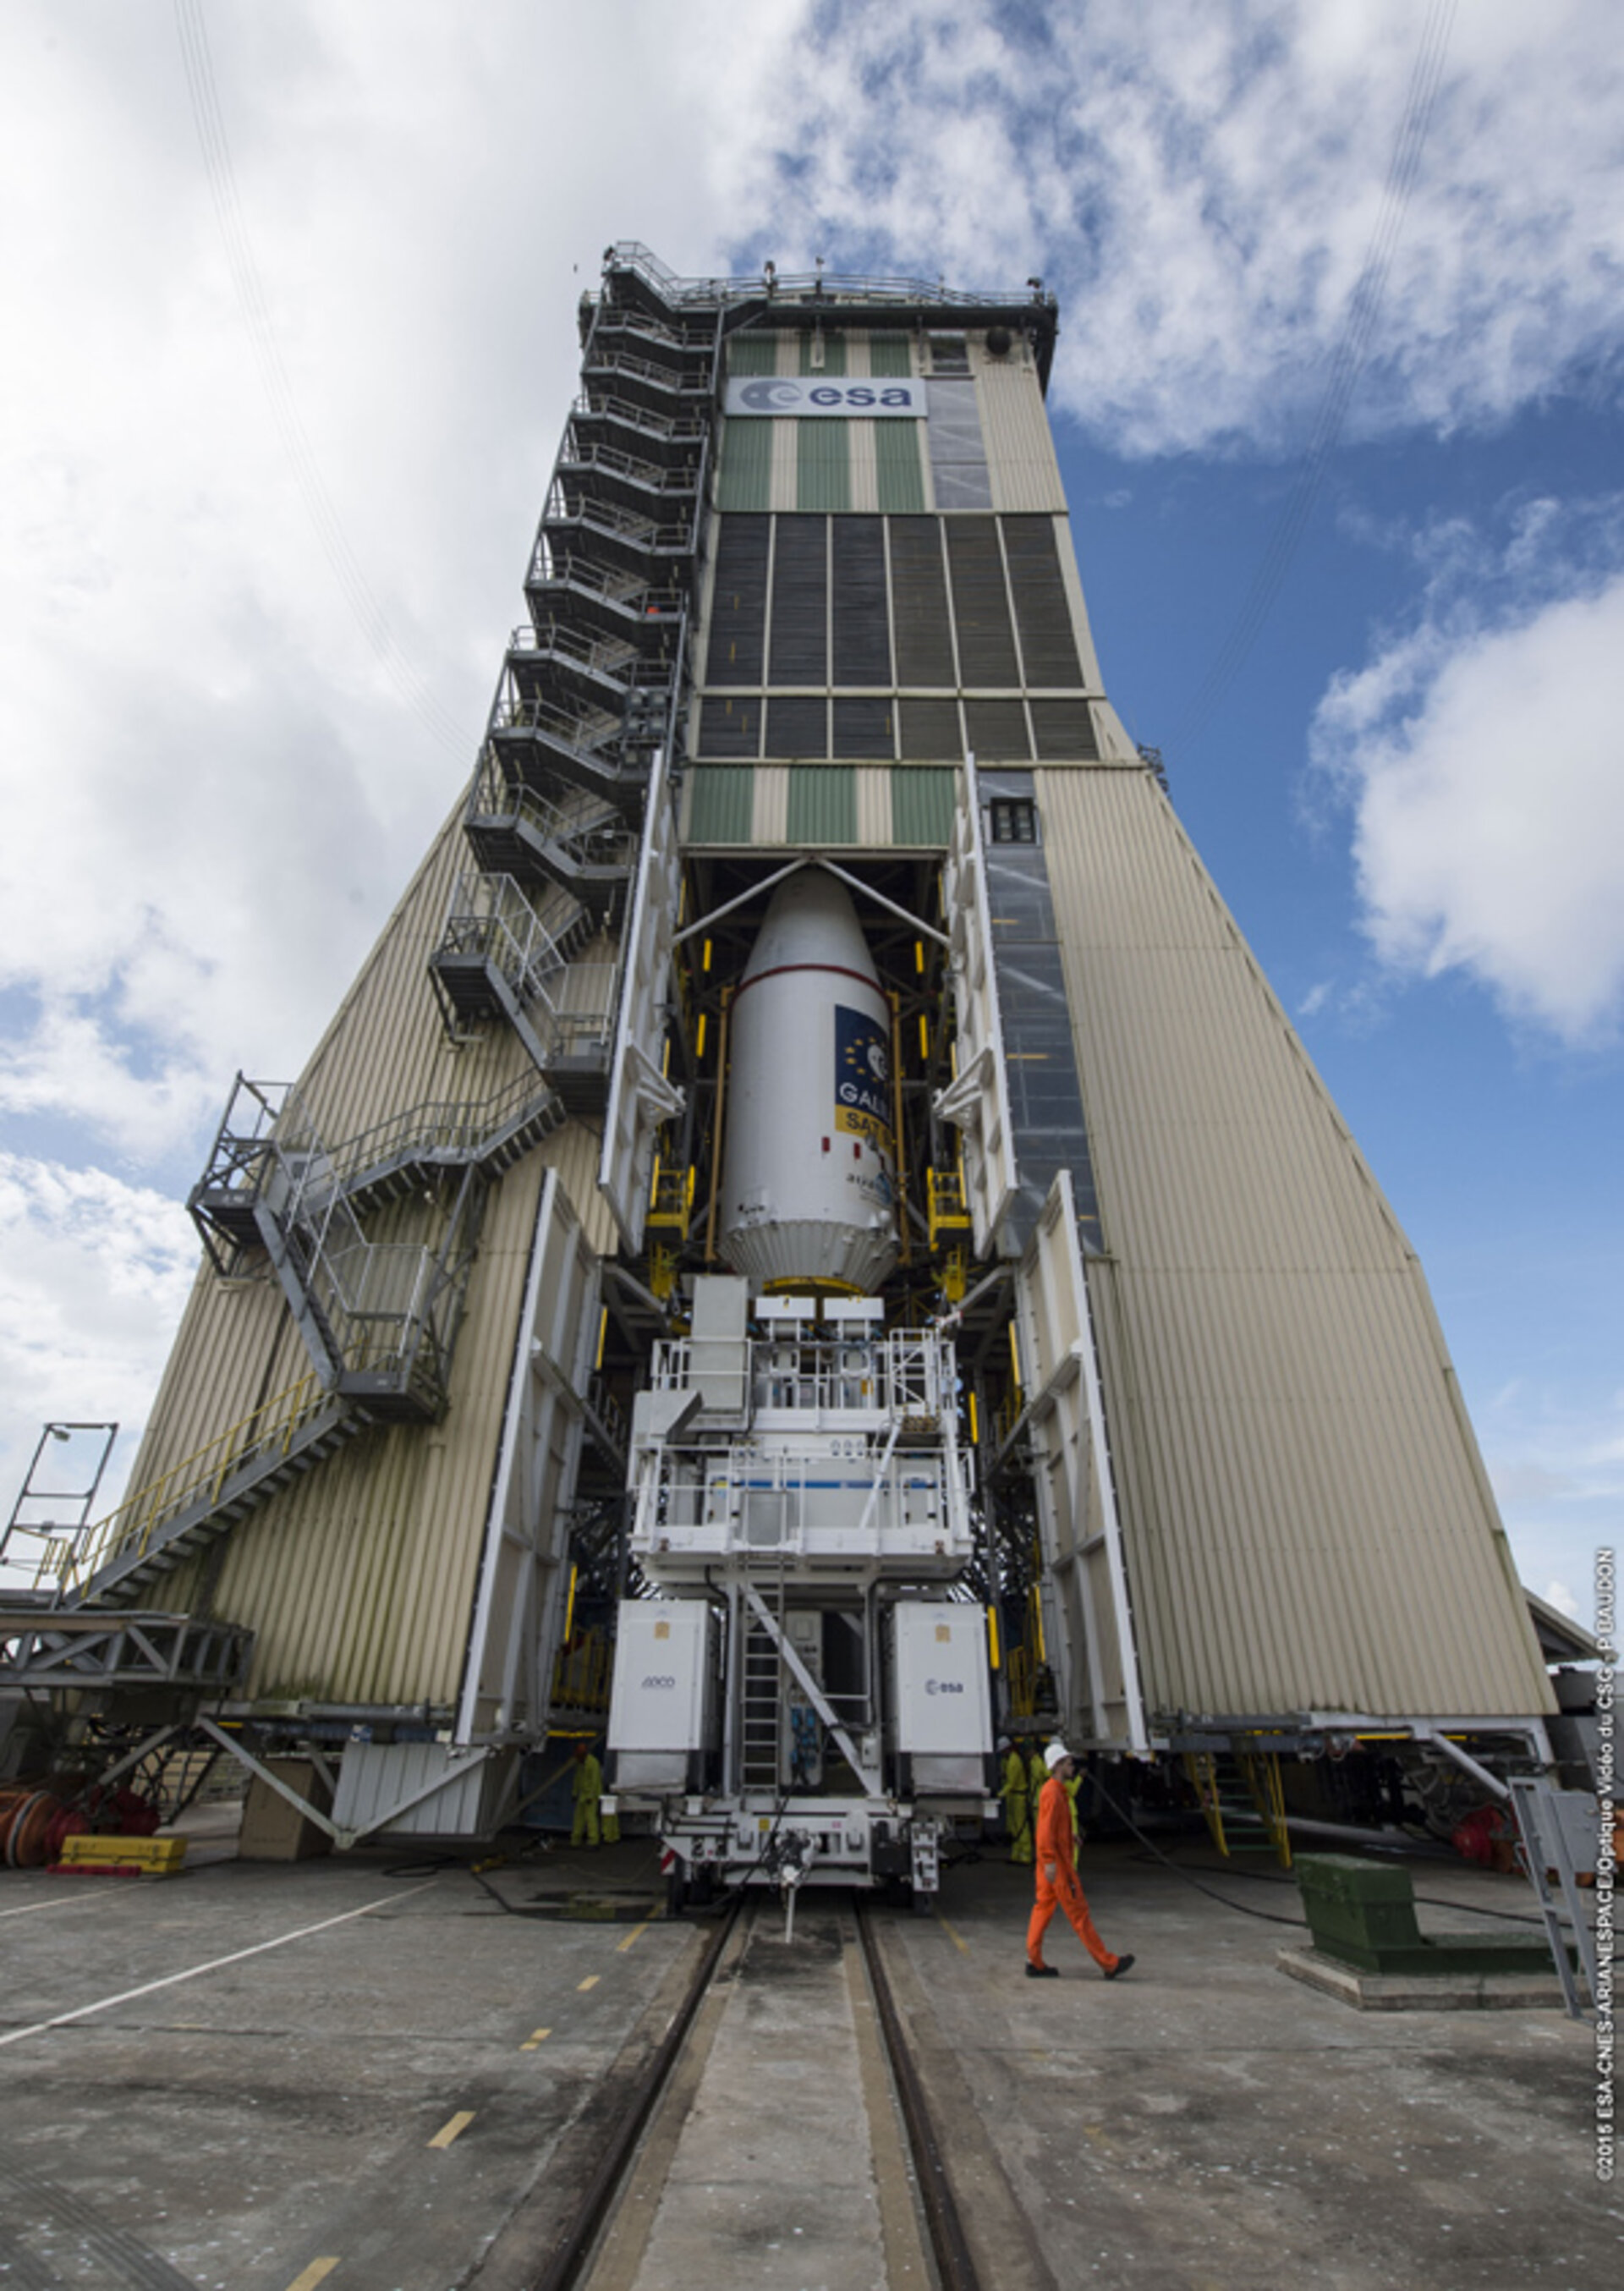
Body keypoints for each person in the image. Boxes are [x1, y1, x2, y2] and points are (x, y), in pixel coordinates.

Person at [1025, 1741, 1134, 1981]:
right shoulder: (1054, 1793)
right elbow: (1044, 1833)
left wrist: (1069, 1836)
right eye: (1068, 1762)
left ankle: (1034, 1961)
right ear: (1056, 1766)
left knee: (1042, 1908)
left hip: (1050, 1865)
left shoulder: (1054, 1791)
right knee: (1079, 1914)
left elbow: (1052, 1828)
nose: (1072, 1766)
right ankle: (1109, 1964)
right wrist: (1051, 1861)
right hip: (1059, 1867)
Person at [998, 1735, 1032, 1864]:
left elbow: (1011, 1783)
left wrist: (1000, 1795)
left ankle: (1026, 1855)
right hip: (1012, 1796)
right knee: (1013, 1826)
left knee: (1021, 1826)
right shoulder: (1006, 1760)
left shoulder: (1014, 1761)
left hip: (1018, 1797)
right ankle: (1017, 1854)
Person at [571, 1740, 602, 1849]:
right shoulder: (581, 1764)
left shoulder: (593, 1763)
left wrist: (591, 1796)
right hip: (583, 1794)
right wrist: (575, 1792)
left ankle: (593, 1841)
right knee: (578, 1818)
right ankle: (575, 1840)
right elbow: (577, 1779)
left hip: (590, 1796)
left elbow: (595, 1780)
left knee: (590, 1819)